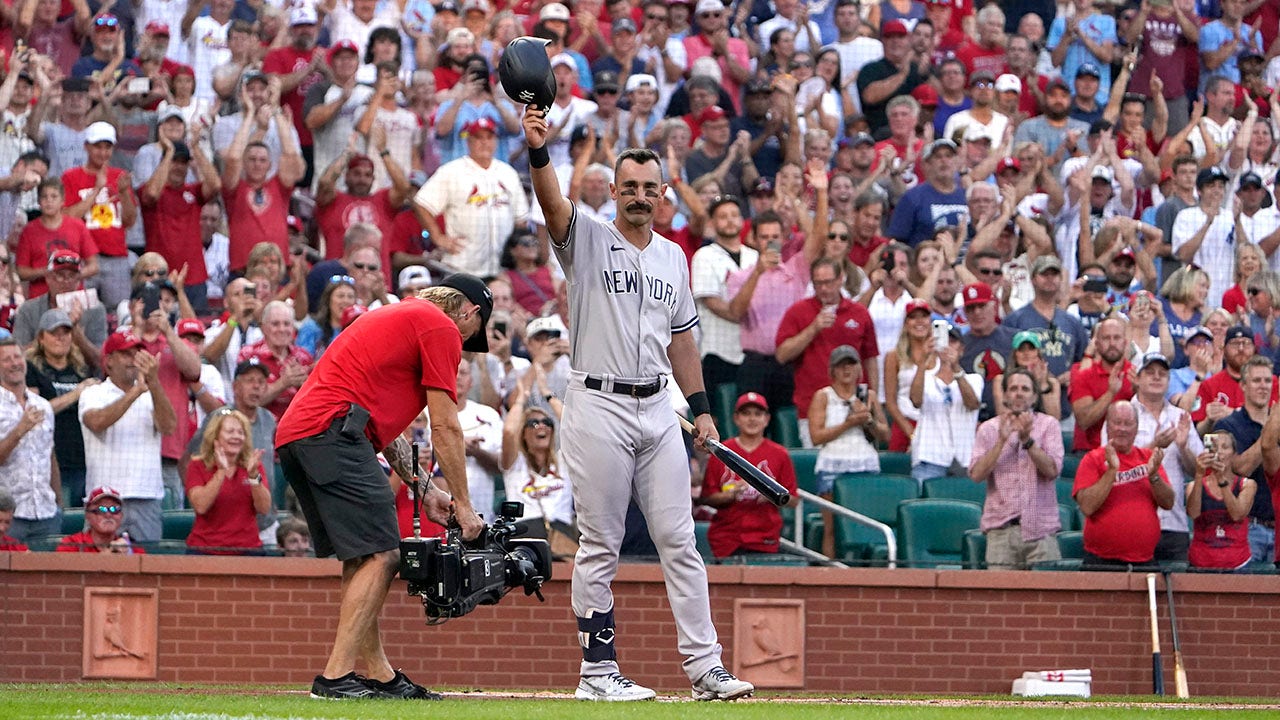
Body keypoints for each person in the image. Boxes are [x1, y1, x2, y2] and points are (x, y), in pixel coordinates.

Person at [524, 106, 753, 701]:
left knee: (680, 541)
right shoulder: (588, 236)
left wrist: (702, 409)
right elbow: (552, 206)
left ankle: (706, 668)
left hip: (658, 406)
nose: (639, 196)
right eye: (629, 186)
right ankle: (597, 673)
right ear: (615, 191)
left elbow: (683, 341)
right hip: (597, 401)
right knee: (600, 542)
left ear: (662, 194)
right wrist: (539, 151)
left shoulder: (674, 256)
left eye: (649, 188)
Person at [275, 273, 492, 700]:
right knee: (383, 554)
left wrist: (427, 490)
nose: (466, 345)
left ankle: (378, 673)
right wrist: (465, 505)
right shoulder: (440, 325)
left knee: (364, 559)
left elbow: (384, 430)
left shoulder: (402, 315)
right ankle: (335, 678)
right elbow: (446, 425)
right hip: (333, 434)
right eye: (474, 333)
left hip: (304, 435)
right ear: (470, 311)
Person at [79, 331, 177, 543]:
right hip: (103, 499)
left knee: (148, 570)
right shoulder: (93, 393)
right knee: (98, 568)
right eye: (126, 354)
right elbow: (96, 422)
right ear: (109, 361)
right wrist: (136, 392)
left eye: (137, 353)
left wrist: (154, 384)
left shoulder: (152, 393)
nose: (134, 360)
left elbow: (169, 427)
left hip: (146, 497)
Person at [775, 257, 879, 447]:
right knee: (819, 467)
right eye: (818, 283)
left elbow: (871, 359)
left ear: (841, 279)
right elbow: (782, 354)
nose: (823, 288)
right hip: (813, 408)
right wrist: (813, 328)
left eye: (828, 282)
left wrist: (873, 399)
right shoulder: (798, 311)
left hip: (855, 405)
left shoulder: (859, 313)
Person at [969, 368, 1064, 570]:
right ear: (1004, 395)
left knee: (1046, 599)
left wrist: (1027, 441)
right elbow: (976, 474)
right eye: (1013, 388)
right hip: (1001, 533)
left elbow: (1052, 470)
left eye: (1025, 389)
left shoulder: (1049, 426)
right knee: (1001, 600)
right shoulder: (988, 429)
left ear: (1034, 396)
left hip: (1041, 532)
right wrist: (1002, 441)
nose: (1019, 393)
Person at [414, 117, 531, 279]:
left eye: (489, 137)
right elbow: (421, 204)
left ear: (496, 141)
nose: (484, 142)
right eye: (478, 137)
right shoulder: (452, 171)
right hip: (462, 267)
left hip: (501, 270)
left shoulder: (508, 173)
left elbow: (521, 219)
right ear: (468, 141)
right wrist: (438, 238)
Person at [1116, 352, 1201, 563]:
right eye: (1150, 372)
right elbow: (1111, 467)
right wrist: (1154, 445)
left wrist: (1183, 447)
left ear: (1169, 381)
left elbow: (1198, 469)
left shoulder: (1180, 417)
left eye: (1162, 373)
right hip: (1133, 523)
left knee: (1179, 594)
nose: (1156, 377)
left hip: (1174, 524)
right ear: (1137, 378)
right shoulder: (1120, 416)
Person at [808, 346, 888, 557]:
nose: (846, 369)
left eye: (851, 364)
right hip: (833, 463)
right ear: (832, 369)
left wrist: (868, 421)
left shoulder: (868, 395)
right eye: (841, 365)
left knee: (866, 525)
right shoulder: (822, 396)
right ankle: (830, 572)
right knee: (832, 527)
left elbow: (885, 434)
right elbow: (816, 436)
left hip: (865, 463)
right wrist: (848, 423)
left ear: (859, 368)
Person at [1074, 403, 1175, 568]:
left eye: (1128, 423)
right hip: (1101, 562)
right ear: (1107, 427)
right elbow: (1087, 506)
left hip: (1144, 561)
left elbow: (1168, 502)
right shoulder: (1092, 459)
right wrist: (1112, 470)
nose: (1122, 428)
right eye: (1117, 422)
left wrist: (1154, 476)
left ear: (1136, 429)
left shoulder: (1147, 457)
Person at [699, 392, 798, 559]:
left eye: (758, 414)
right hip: (727, 538)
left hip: (764, 536)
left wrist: (771, 495)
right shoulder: (722, 451)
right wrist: (729, 495)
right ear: (736, 418)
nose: (752, 419)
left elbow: (792, 499)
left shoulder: (780, 454)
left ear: (767, 419)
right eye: (746, 414)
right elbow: (707, 498)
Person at [25, 309, 98, 508]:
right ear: (41, 337)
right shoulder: (31, 369)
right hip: (51, 455)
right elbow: (35, 412)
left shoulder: (81, 369)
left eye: (65, 333)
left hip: (83, 456)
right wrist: (76, 393)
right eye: (54, 333)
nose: (60, 338)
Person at [185, 407, 271, 555]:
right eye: (230, 432)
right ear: (215, 437)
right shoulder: (197, 465)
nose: (237, 436)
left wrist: (253, 477)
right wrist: (221, 471)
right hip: (205, 550)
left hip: (248, 550)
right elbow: (201, 506)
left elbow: (264, 509)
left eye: (241, 432)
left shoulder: (253, 466)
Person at [0, 337, 59, 542]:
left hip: (46, 512)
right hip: (8, 516)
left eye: (17, 357)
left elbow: (50, 456)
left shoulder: (44, 406)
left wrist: (58, 503)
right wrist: (19, 430)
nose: (14, 363)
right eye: (6, 359)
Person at [500, 380, 573, 545]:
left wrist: (549, 396)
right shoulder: (515, 464)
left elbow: (575, 429)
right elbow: (509, 431)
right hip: (526, 534)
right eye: (533, 423)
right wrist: (520, 400)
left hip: (562, 535)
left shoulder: (563, 462)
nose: (541, 426)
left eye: (547, 423)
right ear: (523, 433)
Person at [909, 325, 982, 487]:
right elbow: (915, 400)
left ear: (961, 349)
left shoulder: (974, 379)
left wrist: (955, 366)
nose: (948, 344)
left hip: (964, 459)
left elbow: (972, 403)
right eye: (944, 339)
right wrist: (922, 361)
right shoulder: (925, 377)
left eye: (953, 341)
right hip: (930, 457)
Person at [1187, 432, 1256, 571]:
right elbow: (1193, 513)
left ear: (1234, 454)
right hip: (1201, 563)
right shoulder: (1194, 485)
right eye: (1215, 447)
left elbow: (1237, 514)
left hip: (1238, 563)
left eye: (1225, 447)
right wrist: (1199, 474)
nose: (1220, 452)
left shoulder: (1247, 484)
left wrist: (1221, 480)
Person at [237, 301, 313, 421]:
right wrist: (283, 383)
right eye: (275, 324)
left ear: (293, 328)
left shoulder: (304, 357)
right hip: (261, 430)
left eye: (287, 324)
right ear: (263, 328)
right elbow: (246, 402)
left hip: (299, 429)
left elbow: (315, 402)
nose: (282, 329)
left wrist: (305, 386)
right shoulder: (249, 354)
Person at [1069, 316, 1135, 453]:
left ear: (1125, 342)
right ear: (1097, 344)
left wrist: (1140, 394)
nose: (1112, 343)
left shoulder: (1136, 375)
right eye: (1106, 338)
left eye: (1117, 338)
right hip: (1089, 452)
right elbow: (1084, 421)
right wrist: (1111, 393)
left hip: (1126, 452)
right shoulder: (1083, 375)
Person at [56, 486, 144, 554]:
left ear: (121, 516)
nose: (108, 514)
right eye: (102, 509)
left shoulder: (132, 548)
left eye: (114, 509)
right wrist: (111, 552)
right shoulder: (71, 544)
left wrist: (129, 556)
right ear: (88, 515)